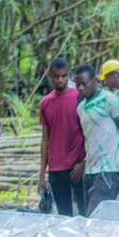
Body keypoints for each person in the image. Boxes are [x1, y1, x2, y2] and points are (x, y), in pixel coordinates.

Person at [73, 64, 119, 214]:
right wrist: (84, 162)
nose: (81, 88)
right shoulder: (81, 107)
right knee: (93, 216)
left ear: (95, 80)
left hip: (108, 169)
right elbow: (90, 138)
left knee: (94, 216)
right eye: (78, 85)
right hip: (90, 171)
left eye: (84, 84)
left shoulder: (110, 100)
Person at [38, 57, 86, 216]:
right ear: (50, 76)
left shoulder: (80, 98)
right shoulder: (45, 103)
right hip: (56, 169)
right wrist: (42, 175)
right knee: (63, 216)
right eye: (56, 76)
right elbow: (45, 140)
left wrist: (84, 163)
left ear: (69, 75)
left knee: (84, 213)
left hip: (77, 167)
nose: (60, 80)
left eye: (64, 76)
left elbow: (89, 132)